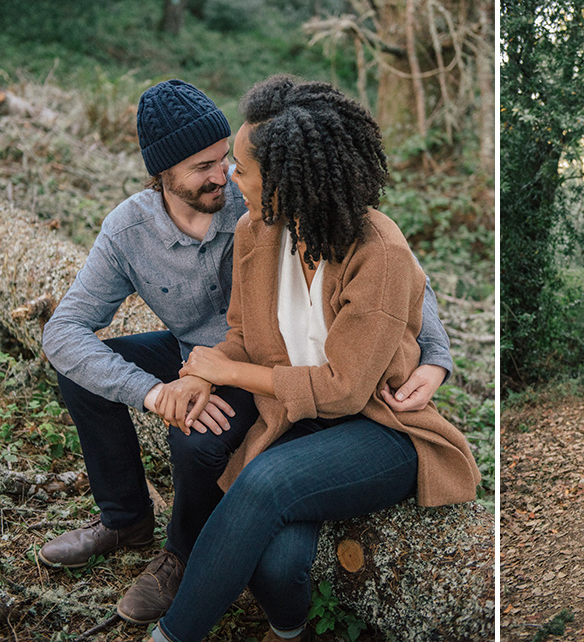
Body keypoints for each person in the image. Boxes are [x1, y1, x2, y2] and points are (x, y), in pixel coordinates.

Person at [39, 79, 455, 625]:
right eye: (203, 167)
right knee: (85, 375)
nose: (223, 176)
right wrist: (156, 390)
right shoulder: (135, 229)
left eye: (225, 160)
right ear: (162, 174)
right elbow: (65, 330)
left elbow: (391, 276)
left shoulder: (272, 191)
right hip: (216, 353)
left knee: (201, 441)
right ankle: (125, 519)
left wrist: (435, 355)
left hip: (269, 365)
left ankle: (183, 557)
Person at [142, 74, 480, 642]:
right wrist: (204, 373)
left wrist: (225, 371)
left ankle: (172, 636)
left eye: (241, 170)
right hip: (296, 419)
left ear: (285, 180)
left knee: (265, 483)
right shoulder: (257, 232)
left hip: (380, 426)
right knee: (278, 568)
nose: (229, 177)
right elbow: (242, 335)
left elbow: (347, 388)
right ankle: (289, 629)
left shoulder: (381, 252)